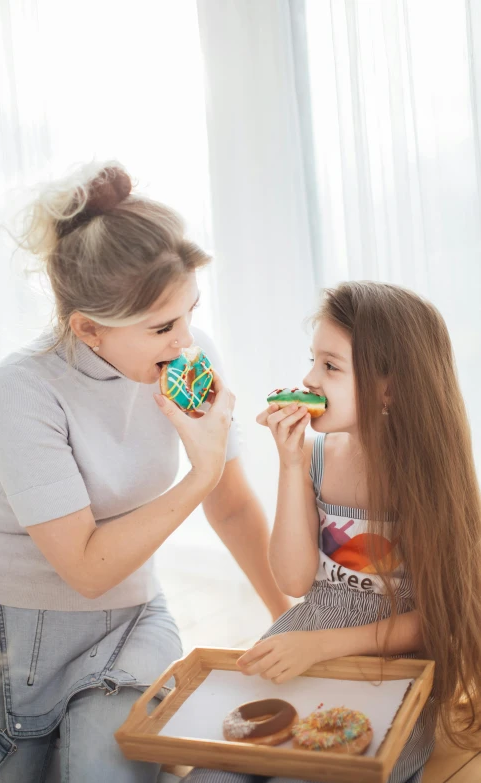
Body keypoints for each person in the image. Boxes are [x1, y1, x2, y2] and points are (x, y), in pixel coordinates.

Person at [0, 163, 290, 783]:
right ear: (87, 328)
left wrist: (283, 617)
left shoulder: (189, 357)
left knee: (98, 771)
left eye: (190, 312)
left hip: (132, 619)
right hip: (11, 639)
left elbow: (233, 504)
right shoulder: (19, 391)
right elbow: (85, 568)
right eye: (162, 327)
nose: (186, 340)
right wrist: (200, 471)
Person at [183, 281, 481, 783]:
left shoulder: (433, 479)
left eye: (330, 366)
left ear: (391, 387)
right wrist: (291, 464)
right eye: (312, 361)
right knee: (218, 769)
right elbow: (295, 581)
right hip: (307, 637)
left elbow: (439, 617)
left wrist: (324, 647)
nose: (308, 378)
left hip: (388, 667)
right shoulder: (318, 458)